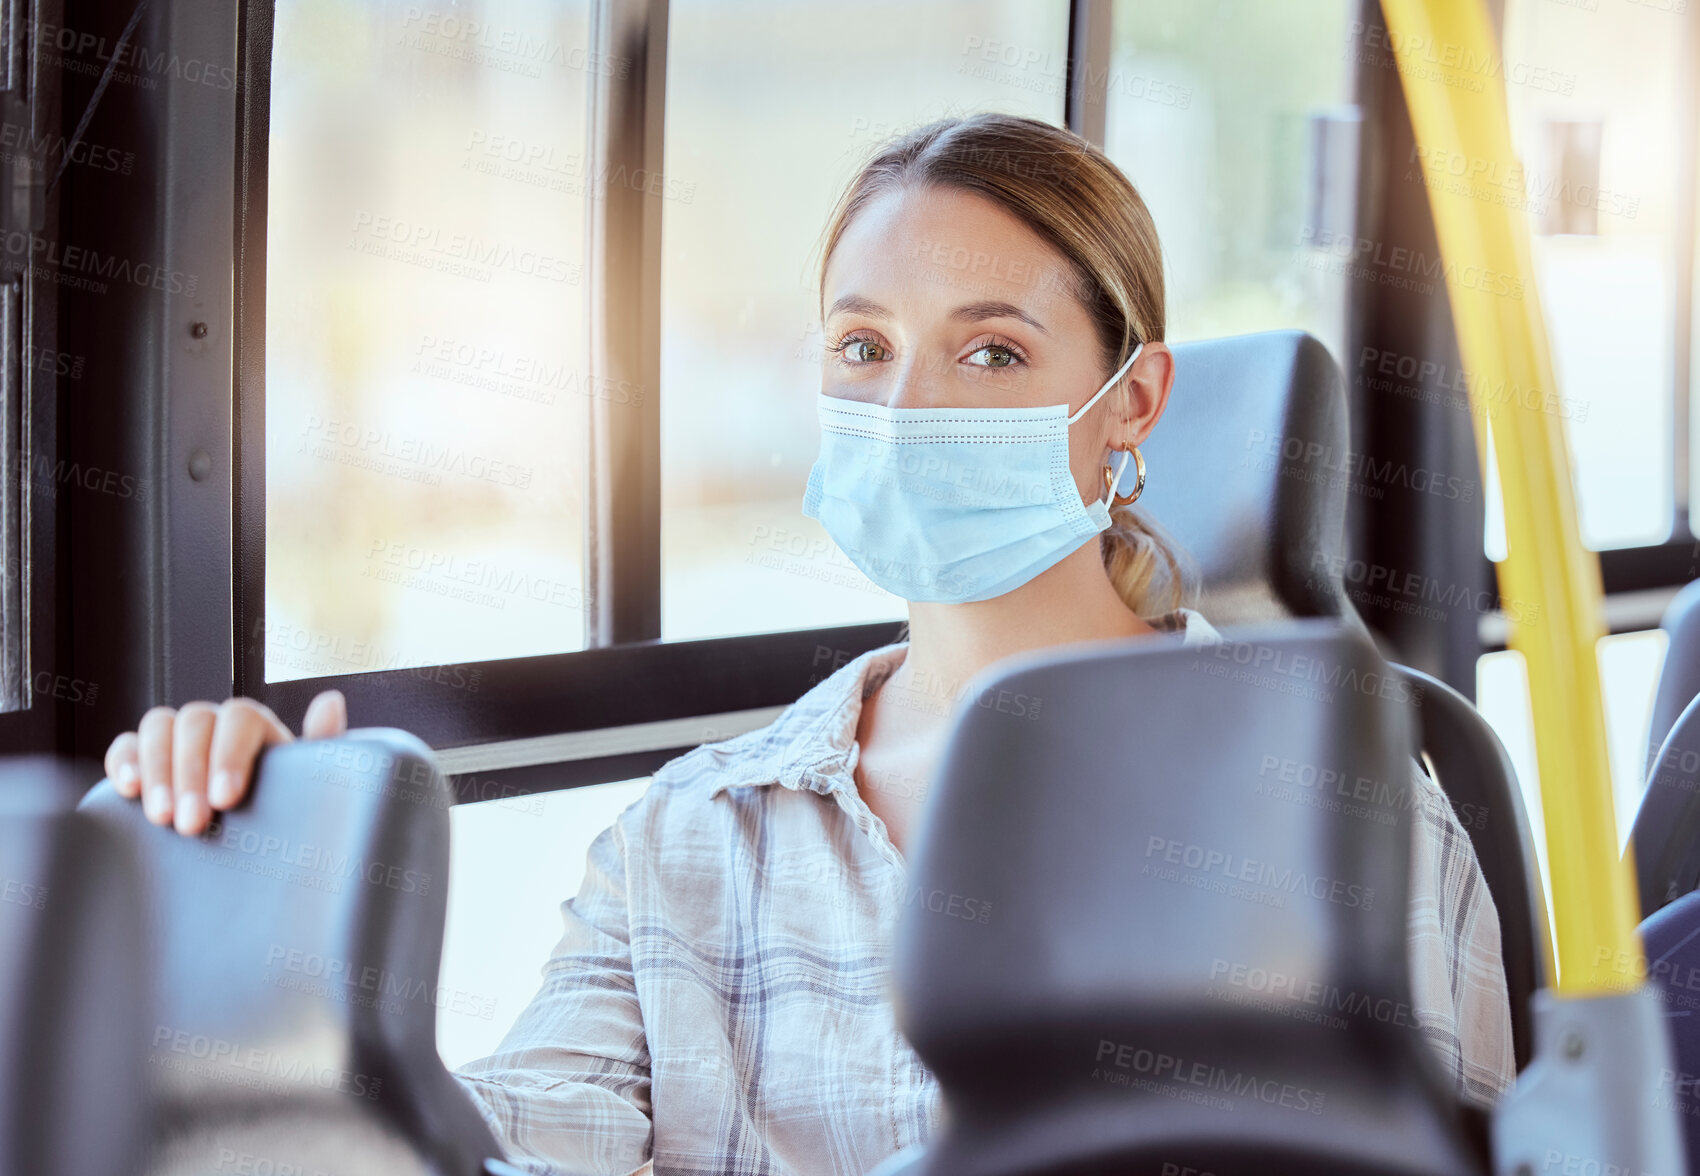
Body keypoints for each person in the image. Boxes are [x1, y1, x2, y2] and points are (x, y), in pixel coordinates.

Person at [101, 113, 1514, 1175]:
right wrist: (281, 939)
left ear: (1135, 400)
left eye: (993, 351)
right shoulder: (695, 834)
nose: (907, 404)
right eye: (860, 347)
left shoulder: (1327, 798)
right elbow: (520, 1138)